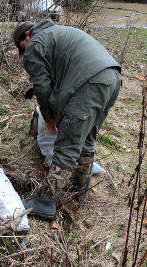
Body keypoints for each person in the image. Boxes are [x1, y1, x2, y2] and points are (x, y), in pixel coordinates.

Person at [12, 20, 122, 218]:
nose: (25, 51)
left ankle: (45, 202)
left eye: (22, 47)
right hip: (112, 78)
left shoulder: (36, 44)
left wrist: (48, 118)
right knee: (86, 138)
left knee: (67, 144)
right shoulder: (57, 33)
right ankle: (80, 190)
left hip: (89, 83)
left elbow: (42, 87)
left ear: (27, 35)